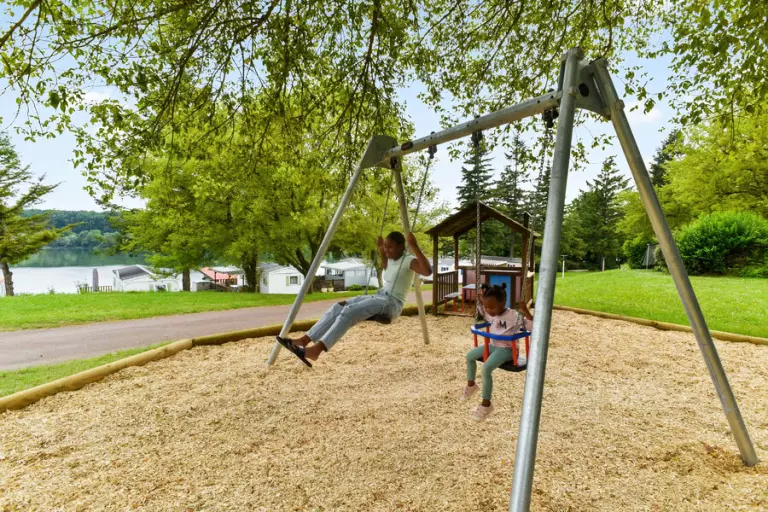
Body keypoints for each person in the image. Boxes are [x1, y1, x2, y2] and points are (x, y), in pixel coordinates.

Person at [277, 231, 432, 367]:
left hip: (392, 303)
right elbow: (386, 267)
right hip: (381, 296)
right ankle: (304, 340)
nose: (387, 250)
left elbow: (427, 271)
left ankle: (316, 350)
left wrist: (414, 245)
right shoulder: (391, 258)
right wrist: (381, 250)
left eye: (390, 247)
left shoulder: (409, 260)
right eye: (385, 247)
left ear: (401, 246)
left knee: (349, 311)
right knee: (338, 306)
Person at [461, 283, 533, 421]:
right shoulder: (491, 313)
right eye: (487, 307)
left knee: (486, 368)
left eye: (492, 307)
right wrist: (481, 301)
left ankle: (486, 404)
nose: (489, 310)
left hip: (507, 349)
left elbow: (531, 326)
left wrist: (526, 311)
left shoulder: (513, 315)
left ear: (503, 302)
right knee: (469, 356)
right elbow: (485, 313)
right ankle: (471, 385)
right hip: (493, 345)